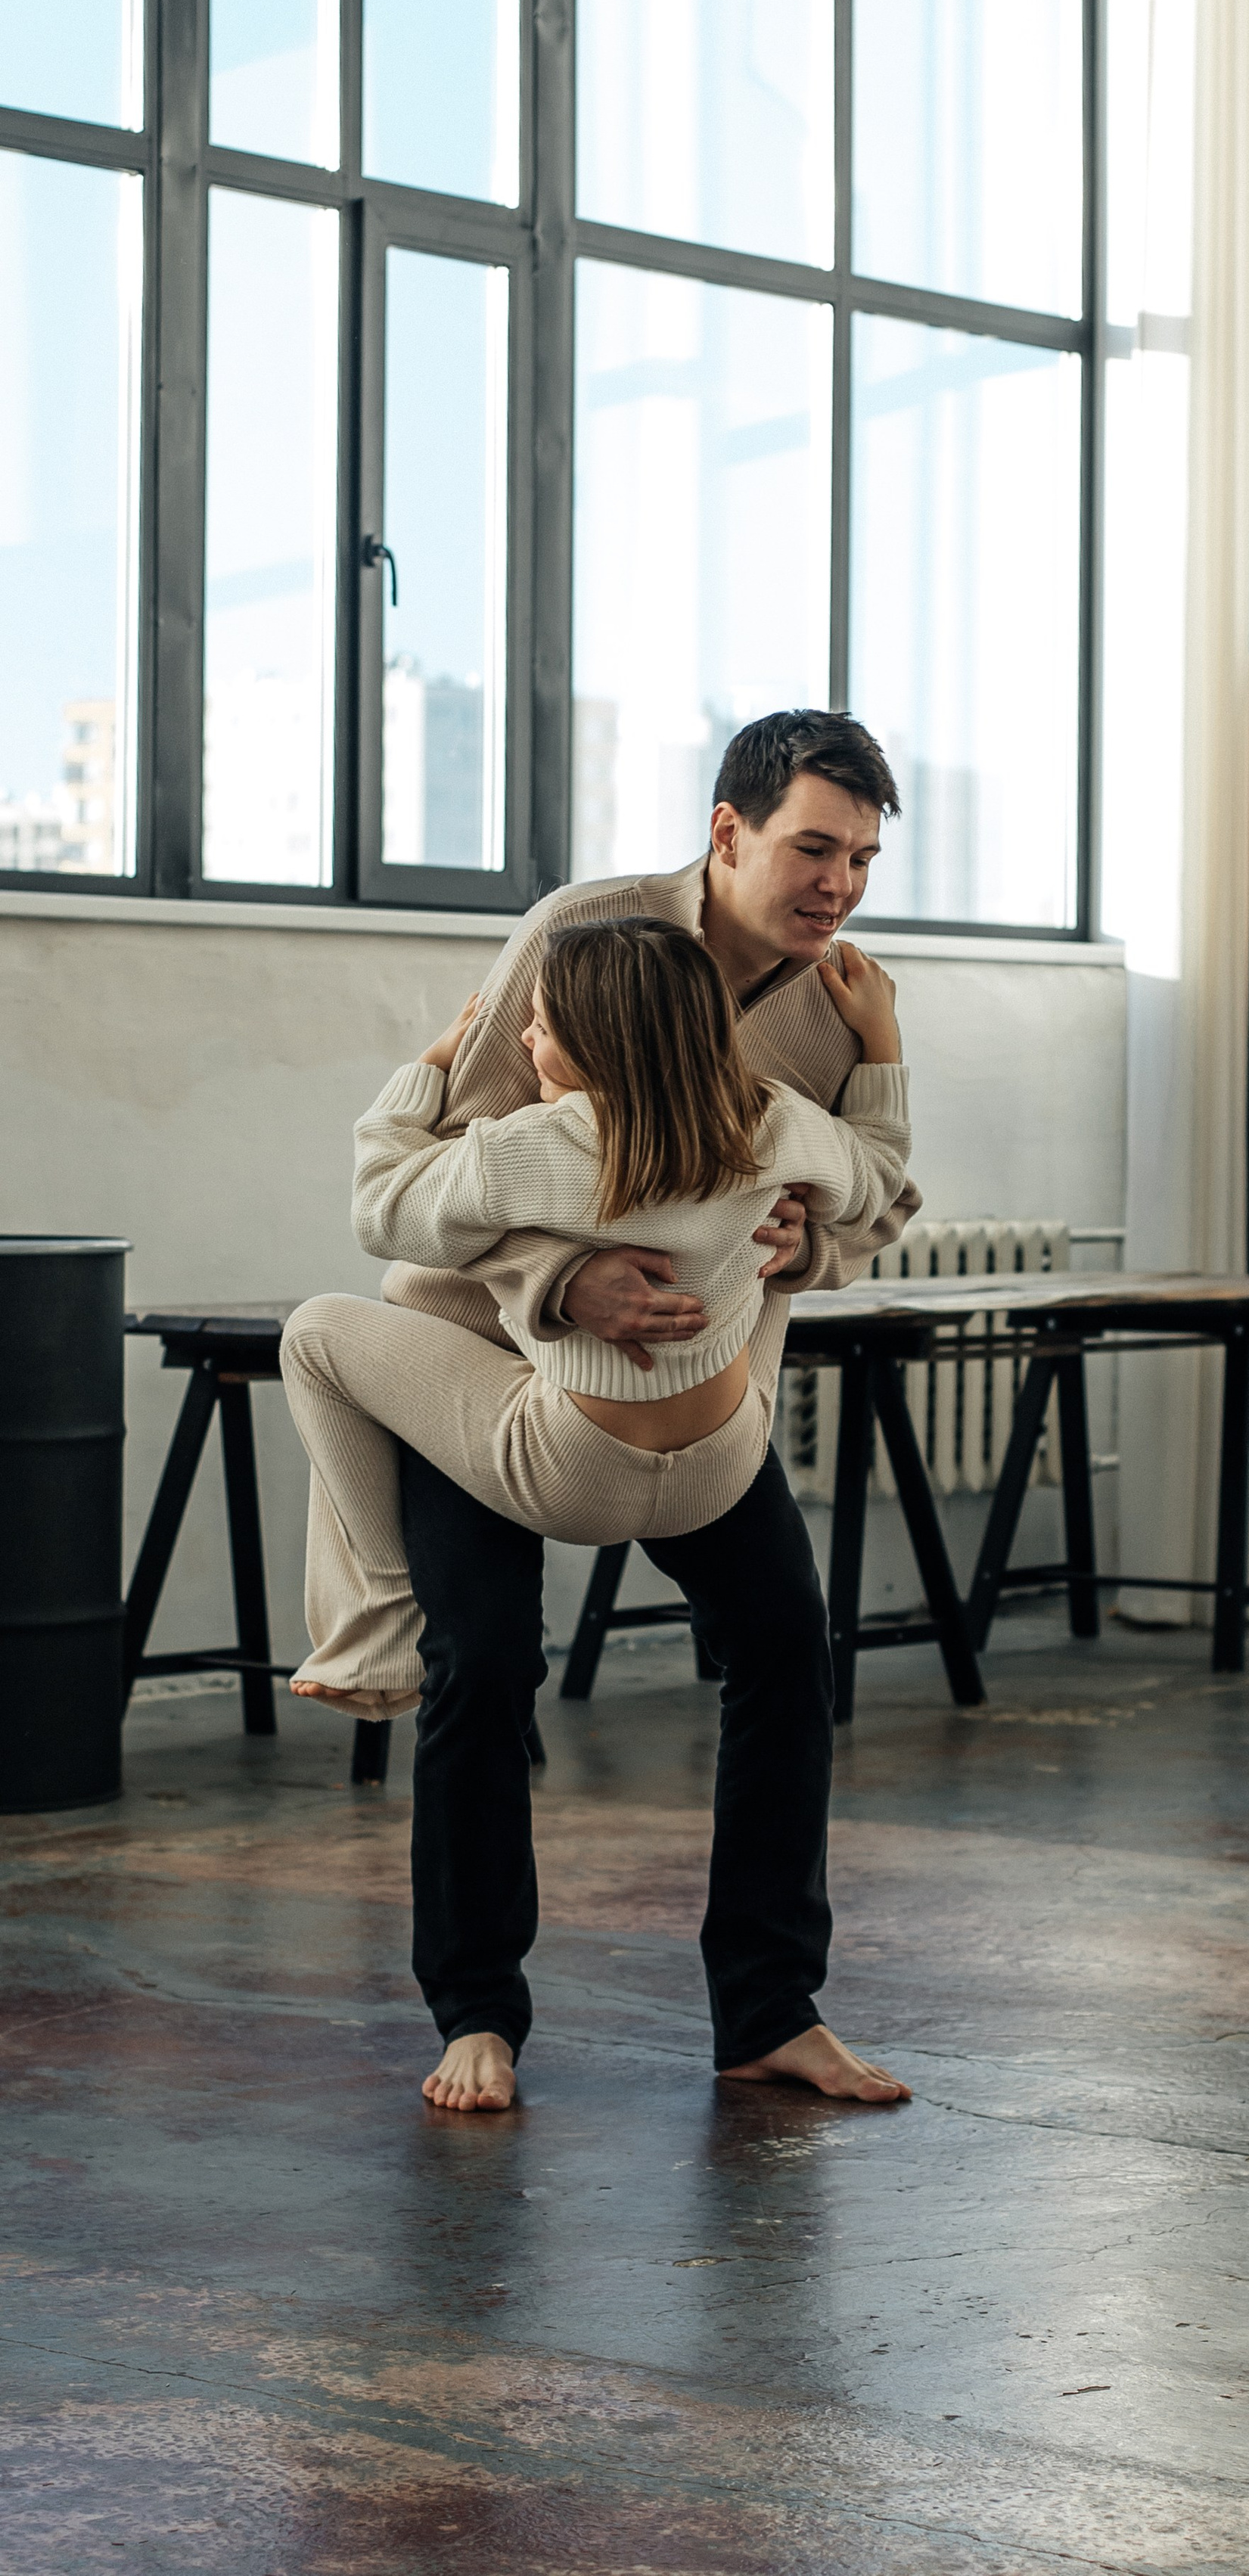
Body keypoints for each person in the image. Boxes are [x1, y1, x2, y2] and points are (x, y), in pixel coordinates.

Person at [377, 710, 918, 2115]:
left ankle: (769, 2012)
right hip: (486, 1352)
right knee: (485, 1658)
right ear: (728, 831)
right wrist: (566, 1283)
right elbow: (450, 1171)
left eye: (862, 857)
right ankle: (476, 2016)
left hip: (693, 1393)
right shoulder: (584, 937)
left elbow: (869, 1202)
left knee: (787, 1646)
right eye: (812, 848)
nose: (838, 887)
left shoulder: (839, 997)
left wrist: (814, 1255)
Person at [281, 915, 910, 1722]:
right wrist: (881, 1042)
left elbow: (380, 1211)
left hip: (568, 1477)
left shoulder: (526, 1146)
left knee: (315, 1331)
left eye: (542, 1024)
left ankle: (380, 1621)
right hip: (724, 1471)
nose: (525, 1039)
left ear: (595, 1044)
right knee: (755, 1285)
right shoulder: (778, 1124)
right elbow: (881, 1171)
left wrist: (426, 1070)